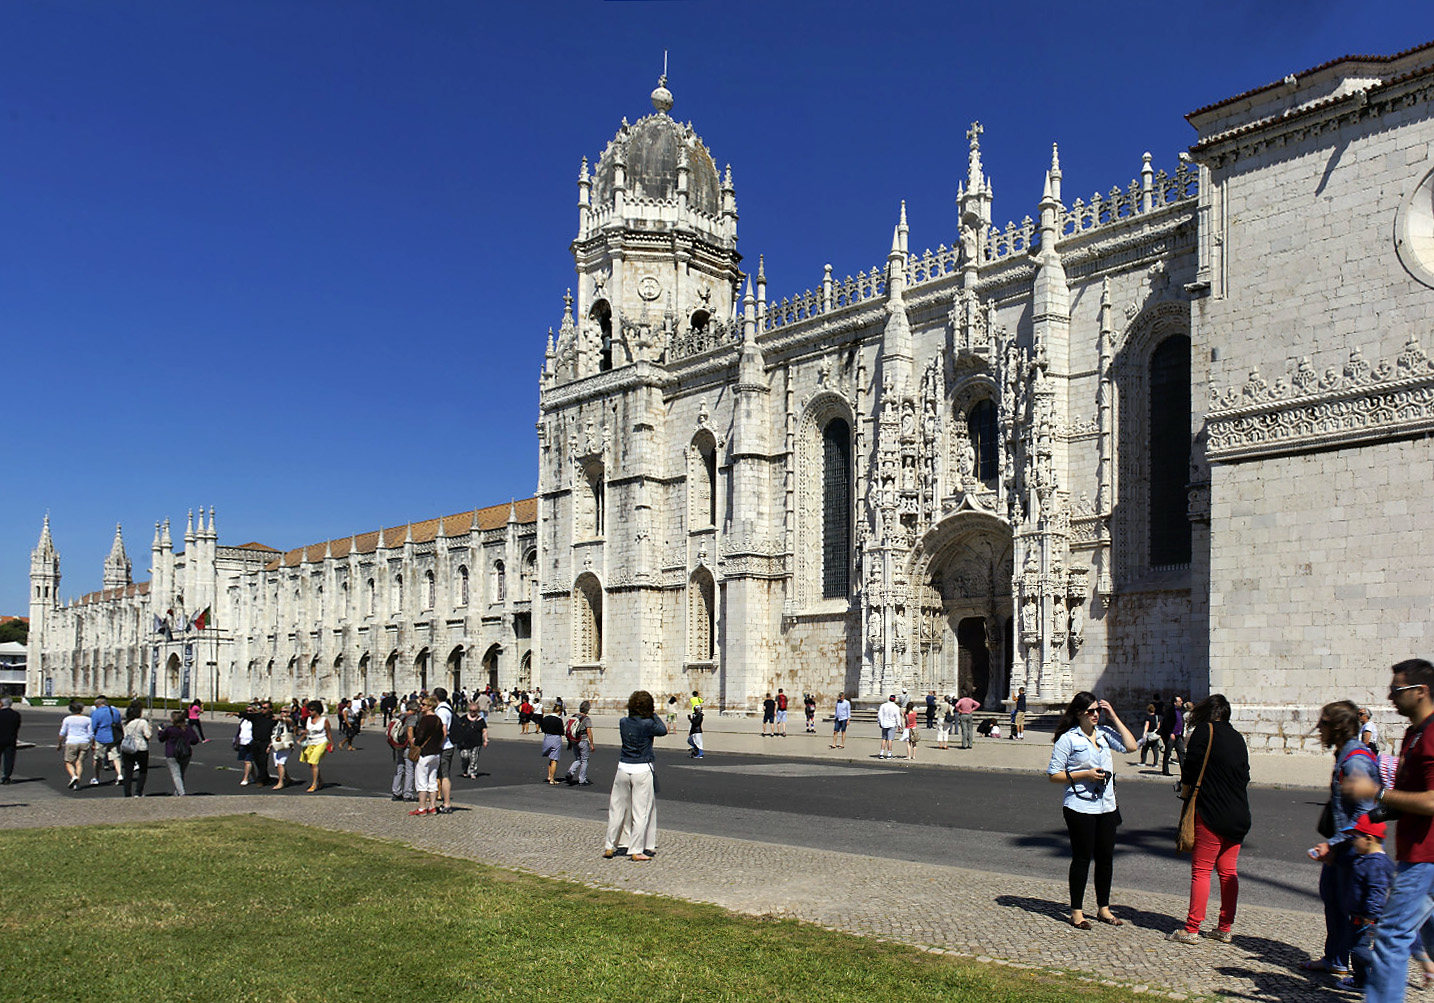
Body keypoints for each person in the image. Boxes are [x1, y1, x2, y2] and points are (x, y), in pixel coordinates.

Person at [1341, 659, 1434, 1003]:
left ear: (1421, 691)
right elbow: (1411, 796)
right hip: (1417, 850)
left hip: (1426, 853)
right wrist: (1381, 812)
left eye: (1396, 690)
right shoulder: (1414, 732)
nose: (1390, 697)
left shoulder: (1433, 734)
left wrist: (1374, 792)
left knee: (1392, 936)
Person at [1046, 691, 1137, 930]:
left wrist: (1114, 716)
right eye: (1091, 711)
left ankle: (1103, 908)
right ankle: (1076, 911)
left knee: (1106, 858)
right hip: (1079, 805)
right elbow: (1054, 775)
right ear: (1079, 714)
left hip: (1106, 805)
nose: (1096, 715)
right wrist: (1085, 774)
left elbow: (1131, 746)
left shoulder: (1105, 734)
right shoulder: (1069, 739)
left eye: (1098, 710)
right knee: (1082, 858)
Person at [1165, 694, 1251, 945]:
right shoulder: (1237, 737)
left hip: (1212, 809)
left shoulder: (1205, 731)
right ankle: (1224, 927)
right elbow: (1244, 775)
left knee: (1201, 870)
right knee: (1228, 871)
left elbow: (1190, 768)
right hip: (1239, 812)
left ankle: (1191, 928)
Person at [1304, 699, 1379, 977]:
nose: (1318, 729)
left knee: (1354, 912)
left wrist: (1333, 843)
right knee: (1333, 900)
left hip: (1352, 849)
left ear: (1335, 727)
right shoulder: (1345, 754)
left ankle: (1364, 976)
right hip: (1342, 847)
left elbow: (1365, 810)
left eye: (1322, 723)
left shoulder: (1355, 759)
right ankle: (1335, 959)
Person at [603, 690, 667, 862]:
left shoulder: (623, 722)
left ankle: (610, 845)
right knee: (641, 811)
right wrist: (653, 713)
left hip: (623, 768)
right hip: (642, 769)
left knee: (616, 808)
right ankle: (636, 849)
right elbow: (663, 730)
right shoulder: (648, 723)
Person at [1340, 815, 1395, 991]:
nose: (1353, 842)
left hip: (1365, 917)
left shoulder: (1375, 864)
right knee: (1355, 947)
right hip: (1360, 914)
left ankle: (1381, 969)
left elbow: (1377, 891)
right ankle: (1362, 980)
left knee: (1358, 948)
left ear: (1369, 839)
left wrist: (1370, 915)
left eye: (1355, 837)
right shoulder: (1367, 859)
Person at [409, 696, 444, 816]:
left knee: (421, 781)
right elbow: (442, 735)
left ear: (430, 706)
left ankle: (422, 807)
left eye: (423, 704)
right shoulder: (438, 720)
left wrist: (415, 742)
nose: (421, 706)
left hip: (425, 753)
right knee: (432, 780)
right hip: (436, 753)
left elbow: (420, 736)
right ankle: (433, 807)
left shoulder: (425, 720)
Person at [155, 710, 198, 795]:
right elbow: (195, 740)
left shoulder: (170, 730)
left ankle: (182, 793)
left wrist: (160, 731)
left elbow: (161, 739)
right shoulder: (188, 728)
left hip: (172, 753)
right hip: (186, 753)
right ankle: (177, 792)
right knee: (181, 773)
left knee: (176, 774)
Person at [118, 700, 152, 798]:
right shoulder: (142, 722)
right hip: (141, 748)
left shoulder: (126, 723)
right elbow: (148, 735)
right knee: (143, 771)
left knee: (128, 772)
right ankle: (138, 792)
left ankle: (127, 793)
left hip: (127, 748)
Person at [57, 700, 93, 790]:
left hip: (72, 741)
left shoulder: (67, 719)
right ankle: (77, 783)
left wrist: (59, 743)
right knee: (79, 762)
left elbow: (62, 732)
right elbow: (91, 733)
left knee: (68, 762)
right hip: (84, 741)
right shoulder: (88, 719)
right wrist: (93, 744)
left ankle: (73, 776)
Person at [299, 699, 332, 793]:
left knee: (314, 762)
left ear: (317, 710)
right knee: (311, 763)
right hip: (310, 742)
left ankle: (314, 784)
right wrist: (300, 738)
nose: (310, 712)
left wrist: (331, 744)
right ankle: (320, 781)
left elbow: (328, 733)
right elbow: (307, 731)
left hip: (321, 742)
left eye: (312, 710)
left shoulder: (324, 720)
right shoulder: (309, 719)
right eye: (309, 709)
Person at [90, 695, 124, 786]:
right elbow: (118, 723)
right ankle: (119, 774)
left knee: (98, 758)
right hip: (114, 736)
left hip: (101, 737)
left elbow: (93, 727)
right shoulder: (114, 711)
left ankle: (96, 777)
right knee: (116, 757)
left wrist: (92, 741)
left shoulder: (96, 713)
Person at [389, 699, 419, 802]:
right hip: (406, 745)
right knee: (409, 769)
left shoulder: (399, 716)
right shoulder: (411, 717)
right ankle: (407, 793)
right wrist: (412, 745)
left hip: (398, 745)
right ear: (413, 709)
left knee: (399, 767)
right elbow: (410, 731)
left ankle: (396, 791)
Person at [432, 687, 457, 814]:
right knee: (440, 775)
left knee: (444, 776)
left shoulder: (442, 711)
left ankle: (447, 803)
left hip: (444, 747)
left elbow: (444, 731)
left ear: (436, 697)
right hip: (445, 746)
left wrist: (438, 745)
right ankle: (438, 801)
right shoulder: (446, 708)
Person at [451, 703, 489, 779]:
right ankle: (465, 769)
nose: (472, 712)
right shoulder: (464, 718)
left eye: (474, 711)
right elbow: (457, 727)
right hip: (464, 742)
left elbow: (484, 730)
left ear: (477, 711)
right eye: (471, 710)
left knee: (474, 758)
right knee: (465, 756)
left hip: (476, 742)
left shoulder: (480, 720)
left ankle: (472, 772)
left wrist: (485, 740)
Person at [565, 700, 596, 782]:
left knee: (577, 759)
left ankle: (570, 772)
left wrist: (569, 742)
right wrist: (591, 744)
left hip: (574, 740)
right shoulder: (586, 719)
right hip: (583, 740)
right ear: (588, 709)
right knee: (584, 760)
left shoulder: (574, 716)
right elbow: (589, 731)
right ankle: (582, 779)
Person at [539, 705, 566, 784]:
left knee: (550, 758)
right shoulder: (558, 720)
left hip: (547, 738)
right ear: (560, 711)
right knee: (554, 760)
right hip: (555, 739)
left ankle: (549, 775)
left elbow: (543, 729)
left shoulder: (546, 718)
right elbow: (561, 731)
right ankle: (552, 779)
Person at [1160, 693, 1186, 776]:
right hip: (1171, 735)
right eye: (1180, 701)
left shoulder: (1179, 711)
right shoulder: (1170, 711)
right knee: (1168, 753)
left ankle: (1184, 771)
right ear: (1175, 702)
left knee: (1181, 753)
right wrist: (1171, 733)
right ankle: (1165, 770)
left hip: (1178, 735)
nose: (1181, 702)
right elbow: (1167, 723)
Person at [270, 711, 295, 790]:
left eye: (284, 712)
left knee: (281, 763)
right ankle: (287, 778)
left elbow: (289, 721)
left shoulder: (288, 720)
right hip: (278, 744)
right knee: (278, 764)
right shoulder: (279, 723)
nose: (282, 713)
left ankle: (280, 782)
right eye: (281, 711)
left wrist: (280, 718)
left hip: (286, 745)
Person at [0, 696, 20, 784]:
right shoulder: (16, 714)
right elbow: (17, 726)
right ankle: (6, 776)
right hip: (10, 739)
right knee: (9, 759)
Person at [876, 695, 901, 759]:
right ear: (894, 700)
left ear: (889, 699)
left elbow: (879, 714)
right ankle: (889, 754)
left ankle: (881, 753)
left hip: (884, 724)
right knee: (890, 739)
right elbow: (897, 717)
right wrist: (899, 725)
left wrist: (880, 722)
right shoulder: (896, 707)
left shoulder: (883, 705)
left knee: (884, 739)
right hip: (892, 724)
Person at [1138, 702, 1160, 766]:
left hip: (1149, 735)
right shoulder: (1157, 717)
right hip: (1155, 735)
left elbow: (1146, 726)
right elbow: (1158, 726)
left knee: (1145, 749)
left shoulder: (1148, 717)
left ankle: (1143, 762)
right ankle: (1155, 763)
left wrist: (1144, 733)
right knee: (1155, 750)